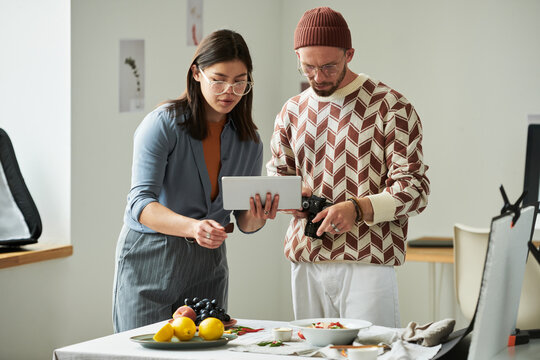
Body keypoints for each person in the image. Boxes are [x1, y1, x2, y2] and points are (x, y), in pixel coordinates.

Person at [267, 7, 430, 328]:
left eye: (329, 66)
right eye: (308, 67)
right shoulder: (292, 110)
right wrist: (290, 197)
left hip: (368, 260)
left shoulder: (390, 106)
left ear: (349, 54)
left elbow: (415, 190)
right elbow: (278, 173)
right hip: (306, 257)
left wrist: (357, 209)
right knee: (312, 353)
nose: (318, 77)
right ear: (297, 57)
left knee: (373, 352)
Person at [113, 29, 279, 333]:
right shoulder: (161, 125)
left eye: (239, 80)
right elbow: (140, 204)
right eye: (218, 79)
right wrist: (193, 227)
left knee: (207, 350)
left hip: (208, 265)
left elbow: (245, 221)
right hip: (150, 259)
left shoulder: (250, 141)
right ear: (197, 74)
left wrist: (258, 216)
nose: (229, 90)